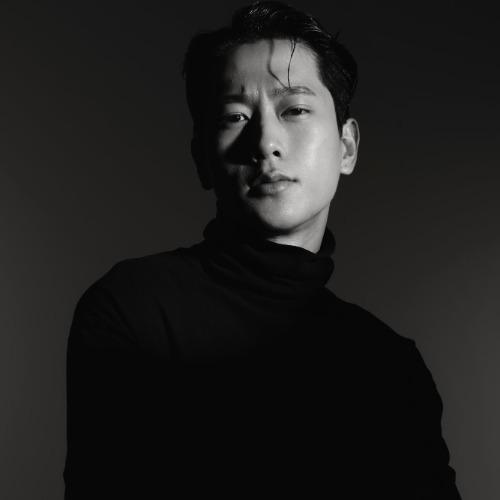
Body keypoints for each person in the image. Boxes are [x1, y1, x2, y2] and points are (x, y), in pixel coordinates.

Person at [63, 2, 462, 498]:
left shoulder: (390, 364)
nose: (266, 142)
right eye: (235, 116)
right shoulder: (134, 307)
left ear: (347, 147)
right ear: (202, 159)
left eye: (294, 109)